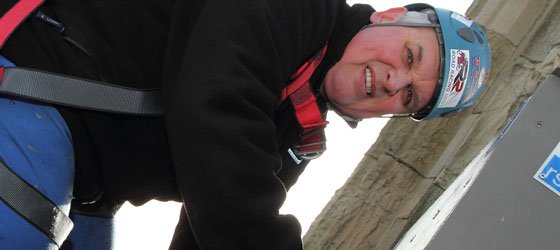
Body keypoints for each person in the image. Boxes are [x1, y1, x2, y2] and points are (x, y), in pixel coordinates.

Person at [0, 0, 490, 249]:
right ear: (391, 16)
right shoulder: (297, 10)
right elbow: (214, 109)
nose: (392, 81)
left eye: (408, 96)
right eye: (409, 55)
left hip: (86, 183)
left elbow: (213, 223)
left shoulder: (297, 133)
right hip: (28, 78)